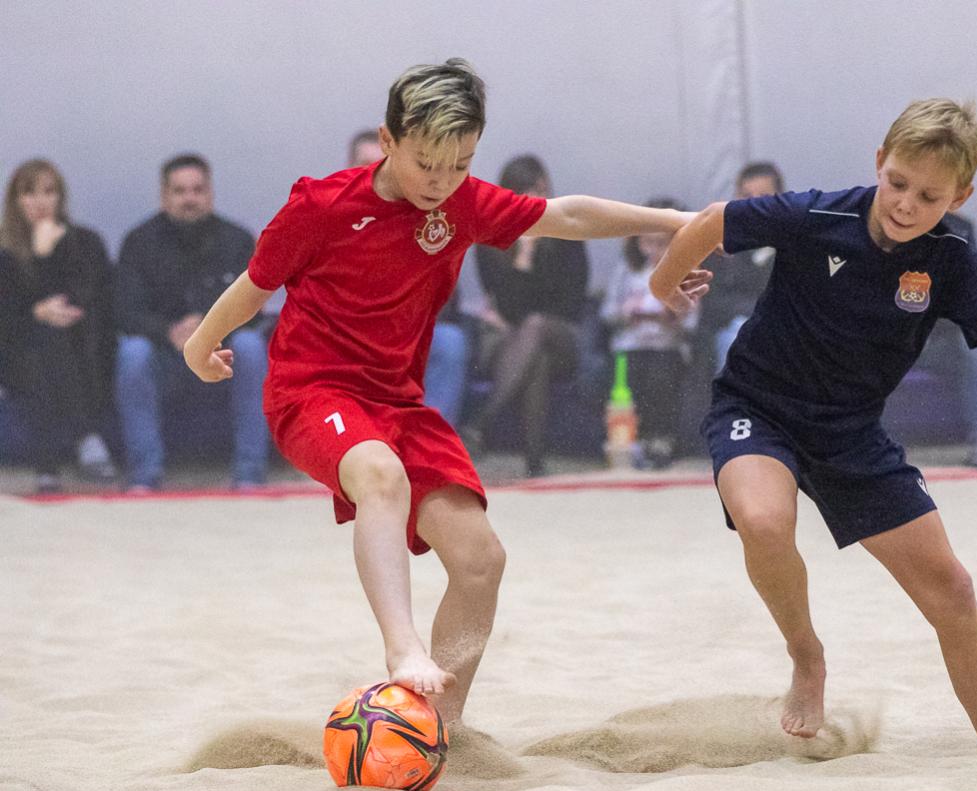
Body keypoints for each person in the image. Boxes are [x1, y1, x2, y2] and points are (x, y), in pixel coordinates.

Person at [182, 59, 709, 727]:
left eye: (460, 164)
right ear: (388, 140)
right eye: (426, 163)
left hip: (398, 403)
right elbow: (253, 287)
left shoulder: (461, 204)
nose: (441, 181)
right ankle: (402, 648)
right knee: (380, 474)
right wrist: (200, 347)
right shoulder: (320, 206)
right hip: (312, 391)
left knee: (481, 560)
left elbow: (567, 214)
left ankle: (439, 726)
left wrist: (679, 220)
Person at [651, 99, 977, 748]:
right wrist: (664, 288)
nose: (905, 204)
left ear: (960, 195)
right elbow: (710, 221)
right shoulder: (817, 215)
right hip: (757, 408)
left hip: (850, 433)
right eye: (897, 182)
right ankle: (806, 656)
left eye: (928, 196)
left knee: (954, 590)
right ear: (879, 161)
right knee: (764, 521)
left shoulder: (951, 255)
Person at [113, 154, 269, 491]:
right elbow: (125, 310)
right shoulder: (139, 242)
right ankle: (144, 476)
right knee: (132, 353)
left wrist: (210, 329)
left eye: (198, 190)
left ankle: (249, 473)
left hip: (222, 351)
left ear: (210, 193)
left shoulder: (237, 240)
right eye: (180, 191)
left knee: (251, 346)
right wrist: (169, 332)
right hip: (164, 353)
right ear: (164, 196)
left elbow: (255, 305)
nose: (190, 199)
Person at [466, 155, 590, 477]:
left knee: (536, 328)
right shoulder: (489, 241)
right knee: (537, 359)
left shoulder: (568, 235)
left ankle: (481, 421)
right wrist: (524, 255)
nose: (536, 200)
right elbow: (510, 310)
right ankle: (535, 461)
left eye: (541, 191)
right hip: (510, 342)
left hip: (563, 336)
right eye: (526, 193)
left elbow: (572, 305)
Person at [0, 159, 117, 492]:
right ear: (15, 200)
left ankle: (46, 465)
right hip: (15, 352)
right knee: (42, 340)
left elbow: (91, 302)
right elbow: (6, 320)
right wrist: (36, 309)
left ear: (61, 198)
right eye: (29, 192)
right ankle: (86, 437)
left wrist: (49, 260)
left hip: (80, 346)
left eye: (49, 192)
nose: (40, 201)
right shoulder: (4, 252)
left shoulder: (86, 242)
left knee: (52, 338)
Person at [350, 130, 470, 426]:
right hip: (348, 333)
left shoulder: (424, 217)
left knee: (450, 341)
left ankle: (425, 443)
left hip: (409, 329)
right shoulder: (325, 213)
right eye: (364, 164)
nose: (373, 172)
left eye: (381, 163)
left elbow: (447, 293)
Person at [602, 198, 697, 469]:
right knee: (629, 379)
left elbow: (692, 324)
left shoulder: (688, 272)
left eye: (662, 243)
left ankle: (661, 440)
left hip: (668, 347)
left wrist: (675, 316)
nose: (654, 250)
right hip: (629, 347)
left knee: (661, 375)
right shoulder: (627, 271)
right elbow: (607, 313)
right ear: (638, 242)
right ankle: (633, 441)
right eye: (648, 242)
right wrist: (625, 312)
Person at [912, 214, 977, 469]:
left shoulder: (960, 229)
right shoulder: (892, 222)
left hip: (938, 337)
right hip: (893, 335)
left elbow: (973, 294)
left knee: (973, 345)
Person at [700, 162, 780, 374]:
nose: (754, 203)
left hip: (780, 330)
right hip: (732, 329)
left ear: (781, 198)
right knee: (737, 338)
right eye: (746, 195)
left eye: (763, 196)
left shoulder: (793, 243)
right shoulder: (720, 245)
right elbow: (711, 302)